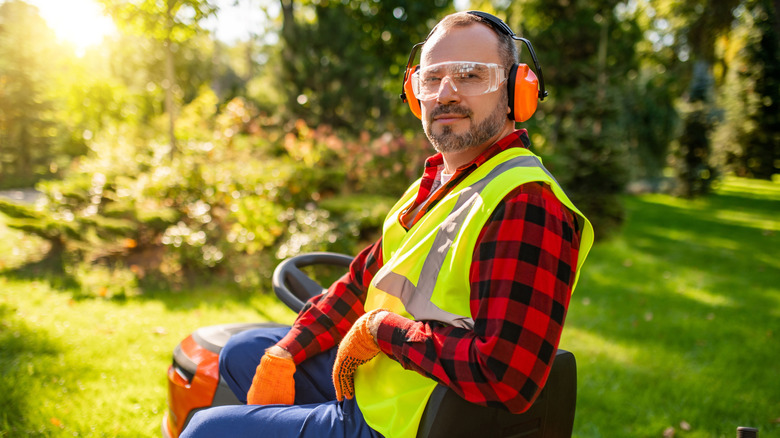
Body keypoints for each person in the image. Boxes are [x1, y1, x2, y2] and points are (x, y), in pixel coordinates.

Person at [181, 10, 594, 438]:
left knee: (203, 431)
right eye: (432, 78)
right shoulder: (435, 185)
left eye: (470, 75)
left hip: (401, 421)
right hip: (384, 382)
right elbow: (361, 282)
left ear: (514, 92)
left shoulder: (525, 202)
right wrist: (286, 352)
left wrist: (383, 330)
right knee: (245, 351)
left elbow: (507, 377)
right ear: (415, 94)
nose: (445, 93)